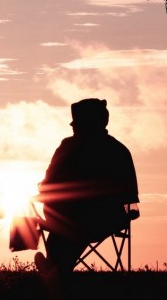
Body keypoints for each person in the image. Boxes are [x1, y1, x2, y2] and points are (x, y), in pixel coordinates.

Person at [35, 98, 139, 277]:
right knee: (72, 227)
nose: (73, 128)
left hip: (72, 219)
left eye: (76, 125)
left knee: (69, 228)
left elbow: (46, 185)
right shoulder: (119, 150)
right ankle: (56, 268)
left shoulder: (67, 147)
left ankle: (55, 269)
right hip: (107, 220)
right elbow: (130, 198)